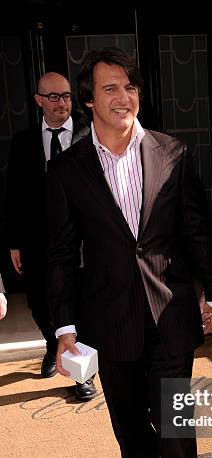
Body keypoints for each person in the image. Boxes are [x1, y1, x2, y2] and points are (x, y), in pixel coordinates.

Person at [46, 47, 212, 458]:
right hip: (108, 320)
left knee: (175, 425)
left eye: (129, 86)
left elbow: (195, 228)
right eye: (109, 88)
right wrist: (64, 328)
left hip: (169, 314)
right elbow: (60, 254)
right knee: (129, 427)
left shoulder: (173, 151)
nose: (122, 97)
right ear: (88, 100)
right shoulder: (69, 169)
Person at [5, 72, 95, 400]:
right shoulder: (23, 142)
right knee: (40, 300)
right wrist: (14, 241)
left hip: (82, 239)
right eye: (54, 97)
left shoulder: (89, 135)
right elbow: (13, 192)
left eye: (67, 96)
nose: (62, 103)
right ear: (39, 100)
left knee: (79, 302)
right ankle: (50, 344)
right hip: (37, 238)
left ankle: (80, 372)